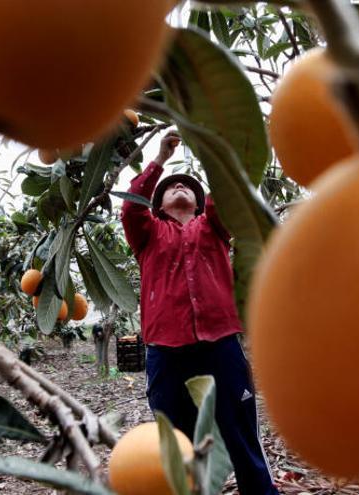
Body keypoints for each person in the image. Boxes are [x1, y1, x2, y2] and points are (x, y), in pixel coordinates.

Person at [121, 132, 279, 494]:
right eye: (171, 186)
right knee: (175, 438)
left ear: (199, 202)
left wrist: (209, 150)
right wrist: (159, 160)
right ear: (158, 202)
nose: (179, 187)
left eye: (187, 186)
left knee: (238, 431)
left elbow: (225, 199)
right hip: (166, 349)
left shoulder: (213, 228)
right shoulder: (148, 233)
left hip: (219, 344)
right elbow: (131, 208)